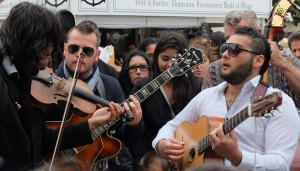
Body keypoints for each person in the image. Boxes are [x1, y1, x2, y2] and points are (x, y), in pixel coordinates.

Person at [0, 2, 133, 171]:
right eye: (50, 44)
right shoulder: (6, 84)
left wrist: (90, 124)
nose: (51, 51)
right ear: (34, 44)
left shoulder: (25, 77)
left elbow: (41, 140)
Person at [153, 27, 300, 170]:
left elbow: (281, 164)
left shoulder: (278, 102)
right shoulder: (207, 95)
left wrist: (238, 156)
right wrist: (162, 143)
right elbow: (171, 126)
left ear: (258, 61)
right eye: (225, 48)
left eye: (235, 50)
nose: (225, 54)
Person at [53, 20, 143, 170]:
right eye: (73, 48)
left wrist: (134, 125)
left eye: (87, 51)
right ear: (64, 49)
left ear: (97, 55)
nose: (79, 54)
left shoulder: (110, 85)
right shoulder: (48, 84)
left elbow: (123, 138)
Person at [130, 32, 201, 170]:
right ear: (156, 58)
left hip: (188, 159)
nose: (170, 65)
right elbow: (135, 133)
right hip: (149, 161)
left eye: (175, 59)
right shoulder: (144, 86)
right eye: (165, 58)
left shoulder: (196, 86)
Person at [202, 10, 300, 109]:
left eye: (240, 37)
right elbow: (204, 110)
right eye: (228, 39)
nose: (230, 44)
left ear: (258, 34)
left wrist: (282, 64)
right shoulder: (215, 69)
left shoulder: (286, 61)